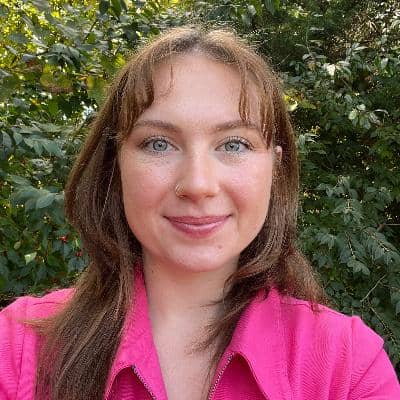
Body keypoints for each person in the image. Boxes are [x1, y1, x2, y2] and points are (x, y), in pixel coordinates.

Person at [0, 25, 399, 400]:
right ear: (115, 165)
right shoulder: (17, 350)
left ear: (275, 168)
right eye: (159, 144)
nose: (197, 184)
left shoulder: (348, 368)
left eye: (234, 144)